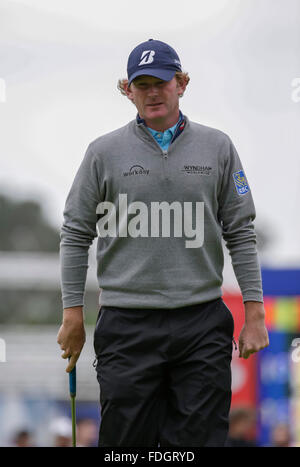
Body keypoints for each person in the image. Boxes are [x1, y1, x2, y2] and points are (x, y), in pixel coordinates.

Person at [57, 39, 269, 447]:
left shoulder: (219, 147)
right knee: (127, 445)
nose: (153, 92)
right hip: (126, 322)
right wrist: (72, 315)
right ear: (127, 90)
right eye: (142, 84)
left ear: (182, 83)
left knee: (201, 441)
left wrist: (255, 313)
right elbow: (75, 233)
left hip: (201, 319)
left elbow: (241, 231)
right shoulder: (102, 153)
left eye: (162, 82)